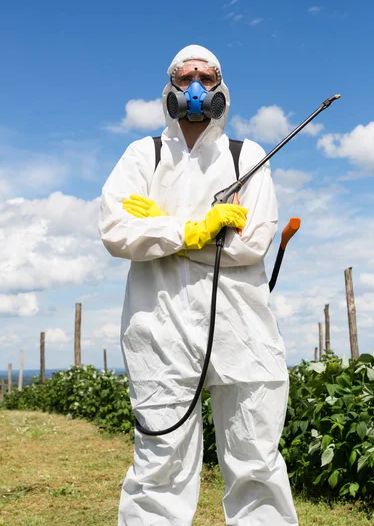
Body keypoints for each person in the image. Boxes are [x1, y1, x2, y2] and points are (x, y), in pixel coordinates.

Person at [99, 44, 298, 525]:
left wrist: (165, 231)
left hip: (242, 330)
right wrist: (195, 228)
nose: (194, 86)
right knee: (158, 468)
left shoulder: (246, 156)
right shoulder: (141, 155)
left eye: (205, 78)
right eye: (184, 76)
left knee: (256, 463)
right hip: (158, 333)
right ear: (168, 87)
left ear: (220, 87)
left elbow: (253, 242)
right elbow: (115, 230)